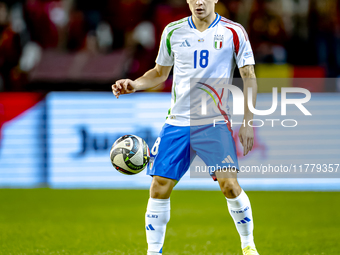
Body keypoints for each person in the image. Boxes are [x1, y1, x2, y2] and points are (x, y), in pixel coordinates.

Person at [112, 0, 259, 254]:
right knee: (159, 186)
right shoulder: (173, 31)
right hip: (177, 123)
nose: (199, 2)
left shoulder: (233, 32)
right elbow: (160, 72)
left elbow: (249, 78)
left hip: (213, 122)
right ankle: (153, 251)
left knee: (229, 185)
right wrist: (134, 84)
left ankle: (248, 246)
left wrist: (248, 122)